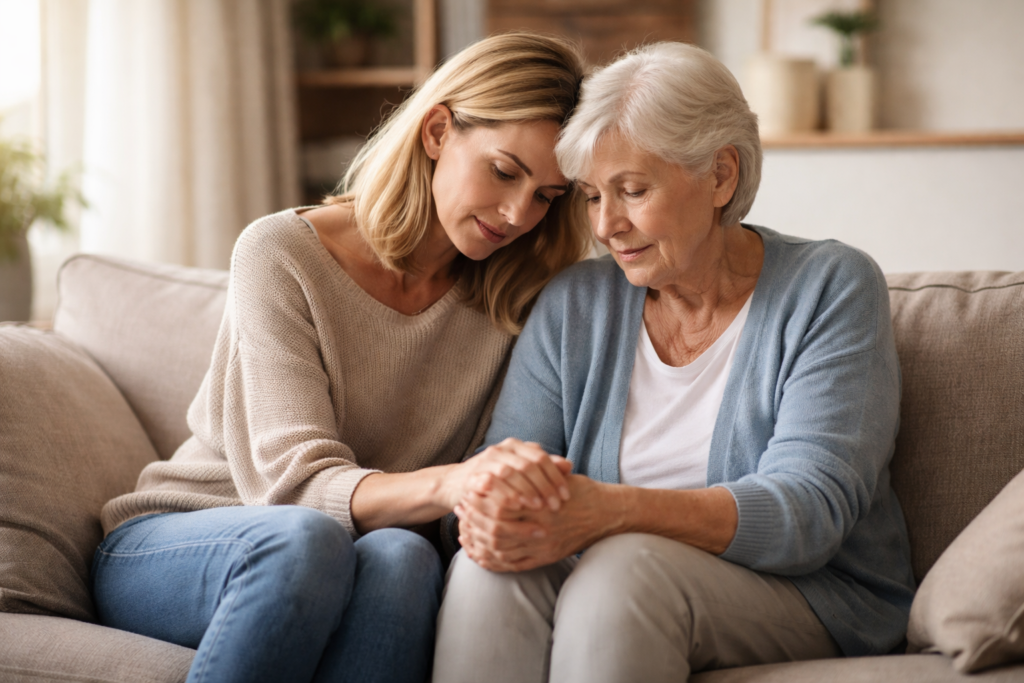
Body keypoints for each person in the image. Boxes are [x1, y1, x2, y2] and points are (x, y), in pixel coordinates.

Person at [91, 32, 590, 683]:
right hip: (185, 540)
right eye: (503, 171)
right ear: (437, 130)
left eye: (548, 196)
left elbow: (463, 511)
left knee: (406, 561)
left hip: (349, 553)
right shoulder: (282, 252)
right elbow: (295, 490)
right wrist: (451, 483)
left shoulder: (517, 299)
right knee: (307, 539)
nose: (519, 213)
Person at [433, 42, 915, 683]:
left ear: (721, 176)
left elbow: (811, 511)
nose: (606, 226)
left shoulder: (831, 286)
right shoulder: (575, 304)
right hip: (612, 575)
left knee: (623, 571)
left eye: (632, 190)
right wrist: (495, 507)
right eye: (590, 196)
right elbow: (504, 465)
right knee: (488, 567)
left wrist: (612, 510)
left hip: (811, 593)